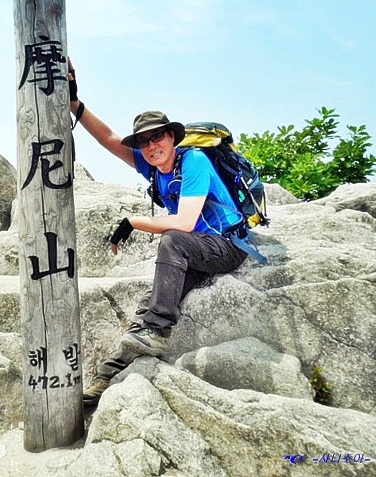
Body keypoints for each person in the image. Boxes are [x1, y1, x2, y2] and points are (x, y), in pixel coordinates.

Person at [68, 62, 248, 406]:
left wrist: (133, 222)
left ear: (171, 137)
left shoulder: (193, 161)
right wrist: (75, 104)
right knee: (148, 306)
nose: (151, 145)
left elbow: (184, 223)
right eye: (144, 141)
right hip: (198, 250)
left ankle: (158, 331)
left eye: (157, 137)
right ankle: (107, 378)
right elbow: (108, 138)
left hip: (227, 246)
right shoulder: (152, 166)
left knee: (172, 241)